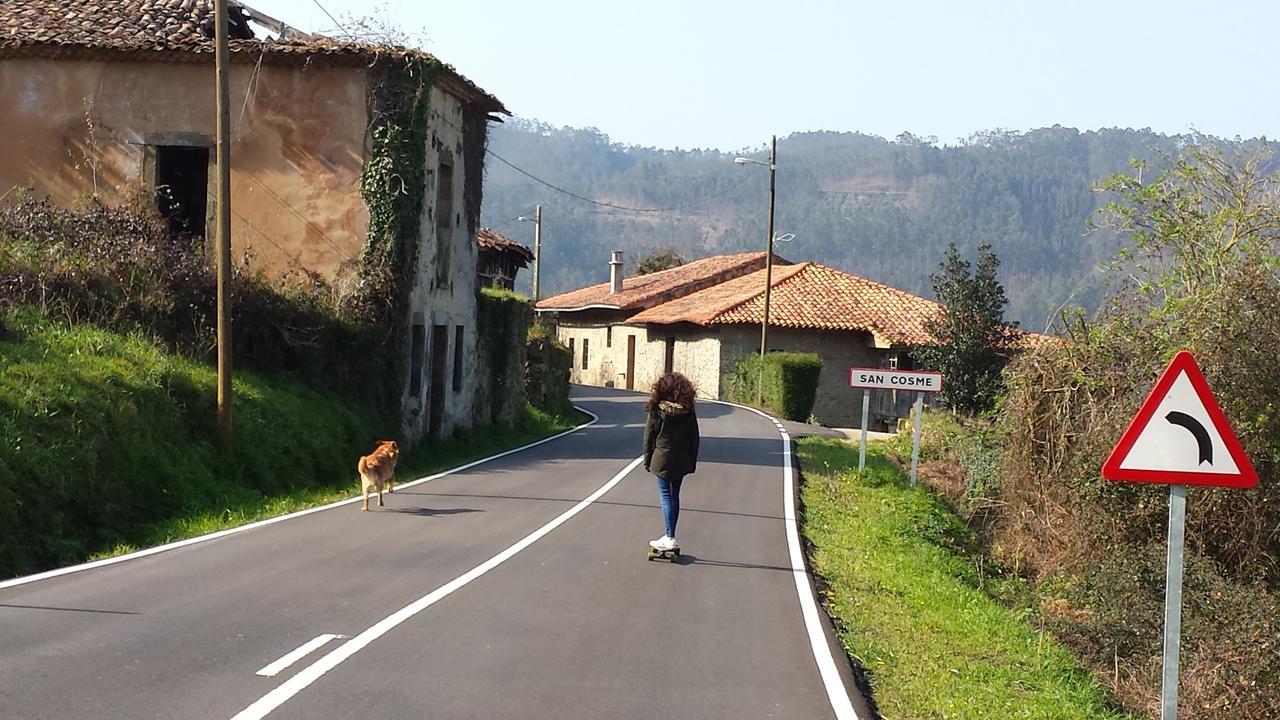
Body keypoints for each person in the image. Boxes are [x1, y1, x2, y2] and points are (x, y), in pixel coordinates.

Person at [642, 372, 700, 552]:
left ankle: (669, 537)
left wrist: (647, 459)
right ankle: (670, 535)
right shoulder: (688, 411)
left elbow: (648, 437)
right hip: (681, 459)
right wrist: (692, 461)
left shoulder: (656, 410)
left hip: (661, 459)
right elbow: (695, 438)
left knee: (666, 496)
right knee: (674, 496)